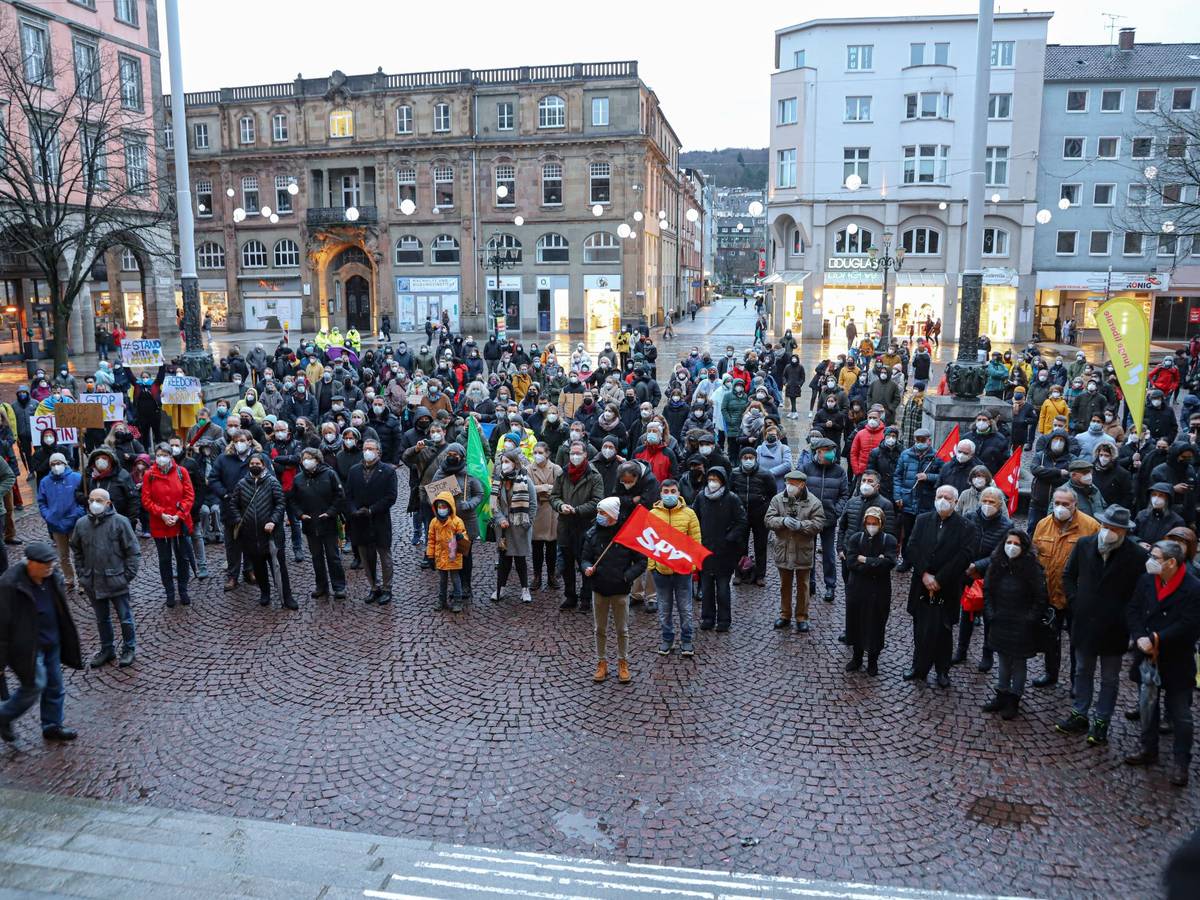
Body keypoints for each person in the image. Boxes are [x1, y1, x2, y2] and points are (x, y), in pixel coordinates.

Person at [1056, 505, 1147, 745]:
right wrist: (1076, 602)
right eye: (1105, 526)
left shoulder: (1136, 555)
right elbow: (1068, 575)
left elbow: (1141, 591)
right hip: (1085, 621)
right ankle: (1080, 713)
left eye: (1114, 528)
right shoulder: (1085, 545)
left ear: (1124, 531)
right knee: (1082, 670)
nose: (1108, 532)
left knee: (1109, 678)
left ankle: (1102, 721)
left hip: (1114, 627)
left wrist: (1127, 616)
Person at [1124, 540, 1200, 787]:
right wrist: (1139, 637)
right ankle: (1149, 748)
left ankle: (1181, 762)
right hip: (1147, 655)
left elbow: (1190, 625)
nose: (1151, 560)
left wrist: (1156, 638)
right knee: (1148, 707)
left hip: (1176, 658)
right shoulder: (1146, 581)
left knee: (1181, 715)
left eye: (1156, 557)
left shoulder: (1193, 588)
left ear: (1171, 562)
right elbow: (1133, 609)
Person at [0, 541, 84, 744]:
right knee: (35, 684)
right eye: (45, 564)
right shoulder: (9, 584)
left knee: (55, 685)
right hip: (27, 647)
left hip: (51, 640)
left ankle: (52, 725)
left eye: (51, 563)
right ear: (31, 563)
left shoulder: (52, 577)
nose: (50, 567)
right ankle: (3, 717)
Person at [904, 485, 977, 687]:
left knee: (944, 631)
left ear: (955, 501)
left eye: (947, 497)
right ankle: (918, 666)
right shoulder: (923, 519)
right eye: (939, 496)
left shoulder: (966, 527)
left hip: (947, 586)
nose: (942, 500)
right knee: (920, 628)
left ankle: (942, 670)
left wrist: (939, 579)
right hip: (921, 584)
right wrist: (925, 574)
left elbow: (964, 556)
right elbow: (912, 547)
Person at [1031, 487, 1099, 688]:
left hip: (1076, 596)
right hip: (1050, 593)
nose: (1060, 507)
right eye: (1057, 503)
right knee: (1050, 638)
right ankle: (1050, 674)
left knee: (1076, 641)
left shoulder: (1091, 526)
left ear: (1075, 505)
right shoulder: (1043, 525)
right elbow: (1035, 557)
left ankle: (1076, 681)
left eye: (1065, 504)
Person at [979, 529, 1048, 720]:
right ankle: (1001, 693)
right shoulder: (997, 563)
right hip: (1000, 619)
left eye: (1017, 544)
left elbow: (1040, 597)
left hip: (1022, 623)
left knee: (1018, 662)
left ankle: (1014, 699)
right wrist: (991, 613)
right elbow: (988, 589)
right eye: (1009, 543)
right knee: (1002, 660)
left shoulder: (1032, 568)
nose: (1012, 547)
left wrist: (1030, 618)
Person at [69, 488, 141, 668]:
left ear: (108, 503)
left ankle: (129, 648)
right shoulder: (81, 524)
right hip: (93, 581)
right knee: (102, 619)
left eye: (99, 500)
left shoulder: (120, 522)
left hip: (116, 579)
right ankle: (107, 649)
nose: (94, 503)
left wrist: (126, 576)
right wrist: (82, 574)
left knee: (125, 618)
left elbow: (132, 551)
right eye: (92, 499)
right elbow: (76, 550)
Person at [582, 497, 644, 683]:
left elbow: (641, 561)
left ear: (612, 515)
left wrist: (627, 576)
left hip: (620, 590)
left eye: (603, 513)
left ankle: (622, 662)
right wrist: (586, 567)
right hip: (599, 589)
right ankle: (601, 662)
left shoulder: (627, 536)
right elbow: (584, 558)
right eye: (598, 512)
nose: (599, 516)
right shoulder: (592, 534)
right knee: (599, 629)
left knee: (621, 629)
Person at [765, 470, 826, 633]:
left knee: (803, 585)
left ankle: (802, 617)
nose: (789, 486)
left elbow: (819, 524)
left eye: (793, 483)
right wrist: (783, 521)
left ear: (802, 485)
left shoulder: (814, 502)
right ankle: (785, 614)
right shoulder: (777, 499)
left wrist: (801, 526)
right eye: (788, 483)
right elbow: (768, 520)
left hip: (802, 550)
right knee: (784, 585)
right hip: (783, 549)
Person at [232, 452, 294, 609]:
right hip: (251, 535)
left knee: (279, 567)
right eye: (252, 464)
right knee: (258, 567)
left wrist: (273, 521)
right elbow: (233, 504)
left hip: (272, 534)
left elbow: (280, 503)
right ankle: (264, 593)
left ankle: (287, 597)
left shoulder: (272, 482)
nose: (254, 466)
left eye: (257, 463)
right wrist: (240, 520)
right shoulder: (241, 484)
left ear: (264, 465)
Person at [648, 480, 701, 656]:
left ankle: (687, 640)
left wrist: (692, 565)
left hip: (682, 571)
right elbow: (650, 542)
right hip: (661, 571)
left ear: (679, 493)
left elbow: (695, 541)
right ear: (660, 493)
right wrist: (652, 566)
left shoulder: (689, 514)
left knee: (685, 608)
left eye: (672, 491)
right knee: (664, 608)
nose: (669, 494)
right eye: (666, 491)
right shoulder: (652, 514)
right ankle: (667, 639)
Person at [550, 441, 604, 612]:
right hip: (565, 526)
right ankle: (570, 595)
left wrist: (577, 510)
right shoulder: (563, 473)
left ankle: (586, 598)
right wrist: (560, 506)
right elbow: (554, 496)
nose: (575, 456)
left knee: (585, 562)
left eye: (578, 453)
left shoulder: (594, 475)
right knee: (566, 564)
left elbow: (597, 501)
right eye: (572, 453)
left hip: (585, 526)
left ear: (585, 454)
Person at [843, 506, 897, 674]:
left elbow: (889, 563)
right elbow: (851, 563)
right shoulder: (855, 538)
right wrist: (875, 562)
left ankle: (873, 661)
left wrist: (865, 560)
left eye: (875, 523)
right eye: (869, 522)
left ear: (881, 523)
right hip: (857, 590)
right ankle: (857, 657)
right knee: (856, 623)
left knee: (876, 625)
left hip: (878, 592)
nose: (871, 526)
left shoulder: (889, 540)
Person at [693, 466, 748, 632]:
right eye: (710, 479)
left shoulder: (732, 499)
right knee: (707, 588)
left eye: (716, 480)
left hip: (725, 552)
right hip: (705, 550)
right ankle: (707, 618)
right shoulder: (701, 497)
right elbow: (694, 518)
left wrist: (728, 538)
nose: (712, 483)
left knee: (723, 588)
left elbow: (741, 522)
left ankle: (724, 620)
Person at [141, 443, 195, 608]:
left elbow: (189, 495)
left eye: (165, 454)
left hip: (179, 523)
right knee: (164, 560)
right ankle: (170, 592)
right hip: (160, 524)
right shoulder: (149, 475)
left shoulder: (181, 472)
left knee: (182, 558)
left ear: (171, 456)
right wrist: (162, 514)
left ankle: (183, 589)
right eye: (159, 454)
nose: (161, 458)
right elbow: (146, 500)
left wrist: (178, 516)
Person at [344, 438, 398, 605]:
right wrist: (353, 510)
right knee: (365, 557)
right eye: (365, 448)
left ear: (378, 452)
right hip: (359, 521)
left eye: (371, 448)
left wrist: (372, 509)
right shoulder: (354, 471)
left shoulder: (388, 471)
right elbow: (349, 495)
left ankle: (387, 588)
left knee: (384, 555)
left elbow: (391, 497)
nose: (367, 451)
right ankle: (374, 587)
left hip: (379, 520)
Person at [291, 446, 347, 601]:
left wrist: (330, 512)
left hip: (327, 522)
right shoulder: (298, 479)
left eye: (309, 458)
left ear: (317, 459)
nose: (306, 461)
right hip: (310, 524)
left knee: (333, 556)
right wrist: (300, 514)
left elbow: (340, 495)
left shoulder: (329, 474)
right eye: (304, 458)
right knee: (316, 557)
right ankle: (321, 586)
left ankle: (339, 586)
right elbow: (293, 500)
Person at [802, 437, 849, 603]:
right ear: (818, 452)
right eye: (827, 450)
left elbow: (844, 494)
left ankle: (830, 586)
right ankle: (811, 583)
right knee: (809, 553)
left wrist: (836, 512)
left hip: (829, 519)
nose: (831, 454)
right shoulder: (806, 468)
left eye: (832, 450)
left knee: (829, 555)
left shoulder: (839, 471)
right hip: (810, 519)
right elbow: (799, 490)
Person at [490, 449, 536, 604]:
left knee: (520, 559)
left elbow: (533, 504)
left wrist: (527, 521)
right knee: (504, 559)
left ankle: (525, 589)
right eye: (502, 462)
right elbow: (493, 504)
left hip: (520, 527)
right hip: (503, 527)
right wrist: (500, 519)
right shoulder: (498, 481)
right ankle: (501, 588)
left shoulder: (526, 481)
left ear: (515, 463)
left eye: (507, 462)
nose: (504, 465)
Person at [36, 453, 83, 591]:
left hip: (74, 522)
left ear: (64, 463)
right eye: (53, 464)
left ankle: (82, 581)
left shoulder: (76, 478)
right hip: (56, 524)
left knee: (79, 553)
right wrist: (48, 516)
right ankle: (69, 579)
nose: (56, 466)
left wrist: (78, 515)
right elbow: (42, 502)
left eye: (58, 463)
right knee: (63, 555)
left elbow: (82, 499)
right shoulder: (45, 482)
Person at [731, 446, 776, 586]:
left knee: (760, 546)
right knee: (739, 546)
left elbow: (772, 495)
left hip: (760, 516)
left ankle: (760, 575)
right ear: (741, 459)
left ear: (756, 459)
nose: (748, 460)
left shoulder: (766, 475)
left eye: (751, 458)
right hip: (741, 517)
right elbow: (730, 493)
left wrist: (765, 508)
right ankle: (739, 573)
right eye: (745, 458)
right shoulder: (734, 474)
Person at [428, 491, 468, 612]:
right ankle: (442, 601)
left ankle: (458, 601)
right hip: (440, 556)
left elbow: (464, 535)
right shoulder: (434, 522)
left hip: (453, 556)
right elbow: (431, 539)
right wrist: (430, 555)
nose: (441, 509)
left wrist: (461, 537)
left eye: (444, 507)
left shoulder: (457, 521)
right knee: (442, 580)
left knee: (455, 579)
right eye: (439, 507)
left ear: (450, 507)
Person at [529, 442, 561, 591]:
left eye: (540, 452)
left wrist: (546, 490)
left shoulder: (556, 469)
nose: (537, 455)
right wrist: (545, 487)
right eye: (535, 452)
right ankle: (536, 575)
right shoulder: (529, 469)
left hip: (552, 511)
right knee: (536, 547)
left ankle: (551, 575)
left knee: (551, 547)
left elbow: (560, 488)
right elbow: (527, 488)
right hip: (536, 510)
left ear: (547, 453)